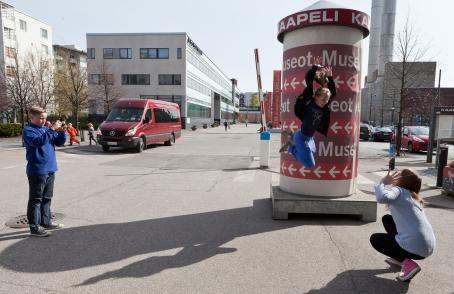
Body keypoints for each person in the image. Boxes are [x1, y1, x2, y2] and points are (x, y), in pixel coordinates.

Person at [370, 169, 436, 281]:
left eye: (398, 176)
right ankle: (399, 257)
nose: (395, 179)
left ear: (402, 180)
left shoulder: (400, 190)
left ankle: (409, 264)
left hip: (415, 247)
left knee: (375, 239)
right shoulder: (414, 197)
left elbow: (382, 198)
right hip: (426, 247)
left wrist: (383, 182)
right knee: (387, 219)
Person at [279, 56, 336, 168]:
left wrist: (330, 77)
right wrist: (314, 67)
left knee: (311, 153)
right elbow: (309, 79)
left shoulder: (324, 109)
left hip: (309, 138)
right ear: (316, 97)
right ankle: (292, 149)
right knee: (310, 164)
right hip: (302, 137)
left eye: (327, 100)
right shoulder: (310, 103)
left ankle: (293, 139)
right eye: (323, 99)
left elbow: (333, 92)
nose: (325, 102)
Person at [23, 106, 67, 237]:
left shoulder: (46, 129)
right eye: (41, 118)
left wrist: (61, 131)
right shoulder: (28, 130)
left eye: (45, 118)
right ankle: (34, 227)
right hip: (37, 170)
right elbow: (38, 142)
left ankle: (46, 221)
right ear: (32, 117)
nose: (43, 120)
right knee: (36, 199)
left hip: (50, 168)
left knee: (47, 198)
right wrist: (52, 129)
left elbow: (59, 142)